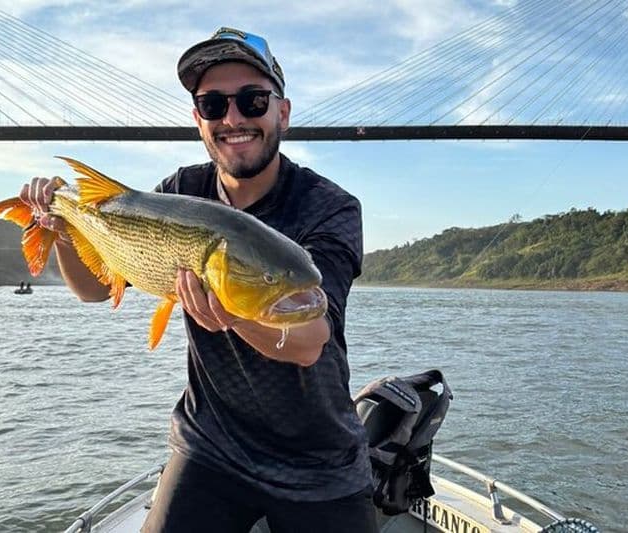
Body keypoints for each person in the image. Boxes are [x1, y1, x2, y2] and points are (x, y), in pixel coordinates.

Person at [19, 27, 375, 533]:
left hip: (318, 461)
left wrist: (233, 317)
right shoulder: (180, 192)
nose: (233, 119)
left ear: (283, 112)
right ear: (198, 120)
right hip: (211, 445)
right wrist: (64, 231)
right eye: (213, 105)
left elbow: (309, 340)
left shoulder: (329, 208)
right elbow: (96, 289)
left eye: (252, 101)